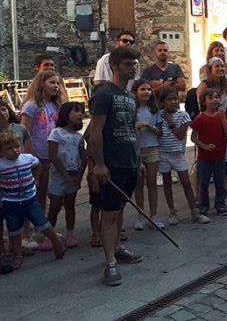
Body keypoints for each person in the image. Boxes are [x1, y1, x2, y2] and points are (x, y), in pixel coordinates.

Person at [88, 46, 145, 285]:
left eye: (134, 64)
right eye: (127, 63)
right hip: (112, 164)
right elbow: (95, 131)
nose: (132, 67)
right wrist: (98, 164)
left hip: (130, 162)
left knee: (120, 209)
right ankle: (110, 262)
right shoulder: (103, 94)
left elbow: (133, 130)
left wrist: (138, 159)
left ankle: (118, 247)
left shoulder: (131, 97)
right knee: (109, 212)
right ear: (114, 66)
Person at [0, 130, 65, 270]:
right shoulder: (1, 165)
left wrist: (35, 179)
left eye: (17, 146)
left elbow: (37, 165)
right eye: (9, 148)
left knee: (42, 223)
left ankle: (56, 241)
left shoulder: (27, 158)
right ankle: (17, 255)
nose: (14, 151)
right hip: (11, 203)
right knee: (14, 230)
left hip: (30, 200)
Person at [20, 69, 66, 232]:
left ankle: (40, 225)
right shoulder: (31, 106)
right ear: (41, 84)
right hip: (35, 156)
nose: (55, 86)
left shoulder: (53, 105)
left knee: (43, 193)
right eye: (52, 82)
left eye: (57, 83)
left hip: (49, 156)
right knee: (30, 194)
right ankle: (27, 230)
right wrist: (30, 157)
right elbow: (25, 133)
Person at [156, 87, 209, 225]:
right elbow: (159, 133)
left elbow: (180, 136)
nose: (173, 102)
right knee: (167, 183)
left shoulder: (183, 115)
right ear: (162, 102)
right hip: (163, 153)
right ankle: (172, 212)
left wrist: (171, 123)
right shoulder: (158, 115)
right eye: (169, 99)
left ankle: (194, 211)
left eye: (175, 99)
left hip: (177, 154)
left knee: (186, 182)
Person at [45, 101, 85, 250]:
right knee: (54, 206)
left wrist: (79, 174)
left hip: (74, 175)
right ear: (66, 114)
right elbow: (53, 155)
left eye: (82, 111)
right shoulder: (56, 133)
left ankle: (70, 234)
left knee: (70, 204)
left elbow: (83, 156)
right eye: (77, 111)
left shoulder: (79, 137)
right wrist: (64, 173)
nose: (80, 114)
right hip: (59, 175)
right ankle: (50, 235)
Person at [192, 88, 227, 217]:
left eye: (216, 97)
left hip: (220, 155)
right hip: (204, 157)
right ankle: (203, 205)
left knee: (220, 182)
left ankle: (220, 204)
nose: (215, 100)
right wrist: (204, 146)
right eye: (211, 97)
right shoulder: (200, 118)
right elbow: (193, 137)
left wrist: (223, 119)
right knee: (203, 182)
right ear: (204, 101)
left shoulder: (222, 116)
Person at [131, 79, 164, 230]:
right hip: (137, 149)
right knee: (139, 184)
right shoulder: (132, 109)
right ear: (136, 92)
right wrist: (137, 125)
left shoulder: (154, 110)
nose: (147, 92)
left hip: (152, 147)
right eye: (143, 89)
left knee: (151, 182)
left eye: (149, 89)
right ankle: (140, 215)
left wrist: (148, 127)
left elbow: (159, 132)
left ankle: (154, 215)